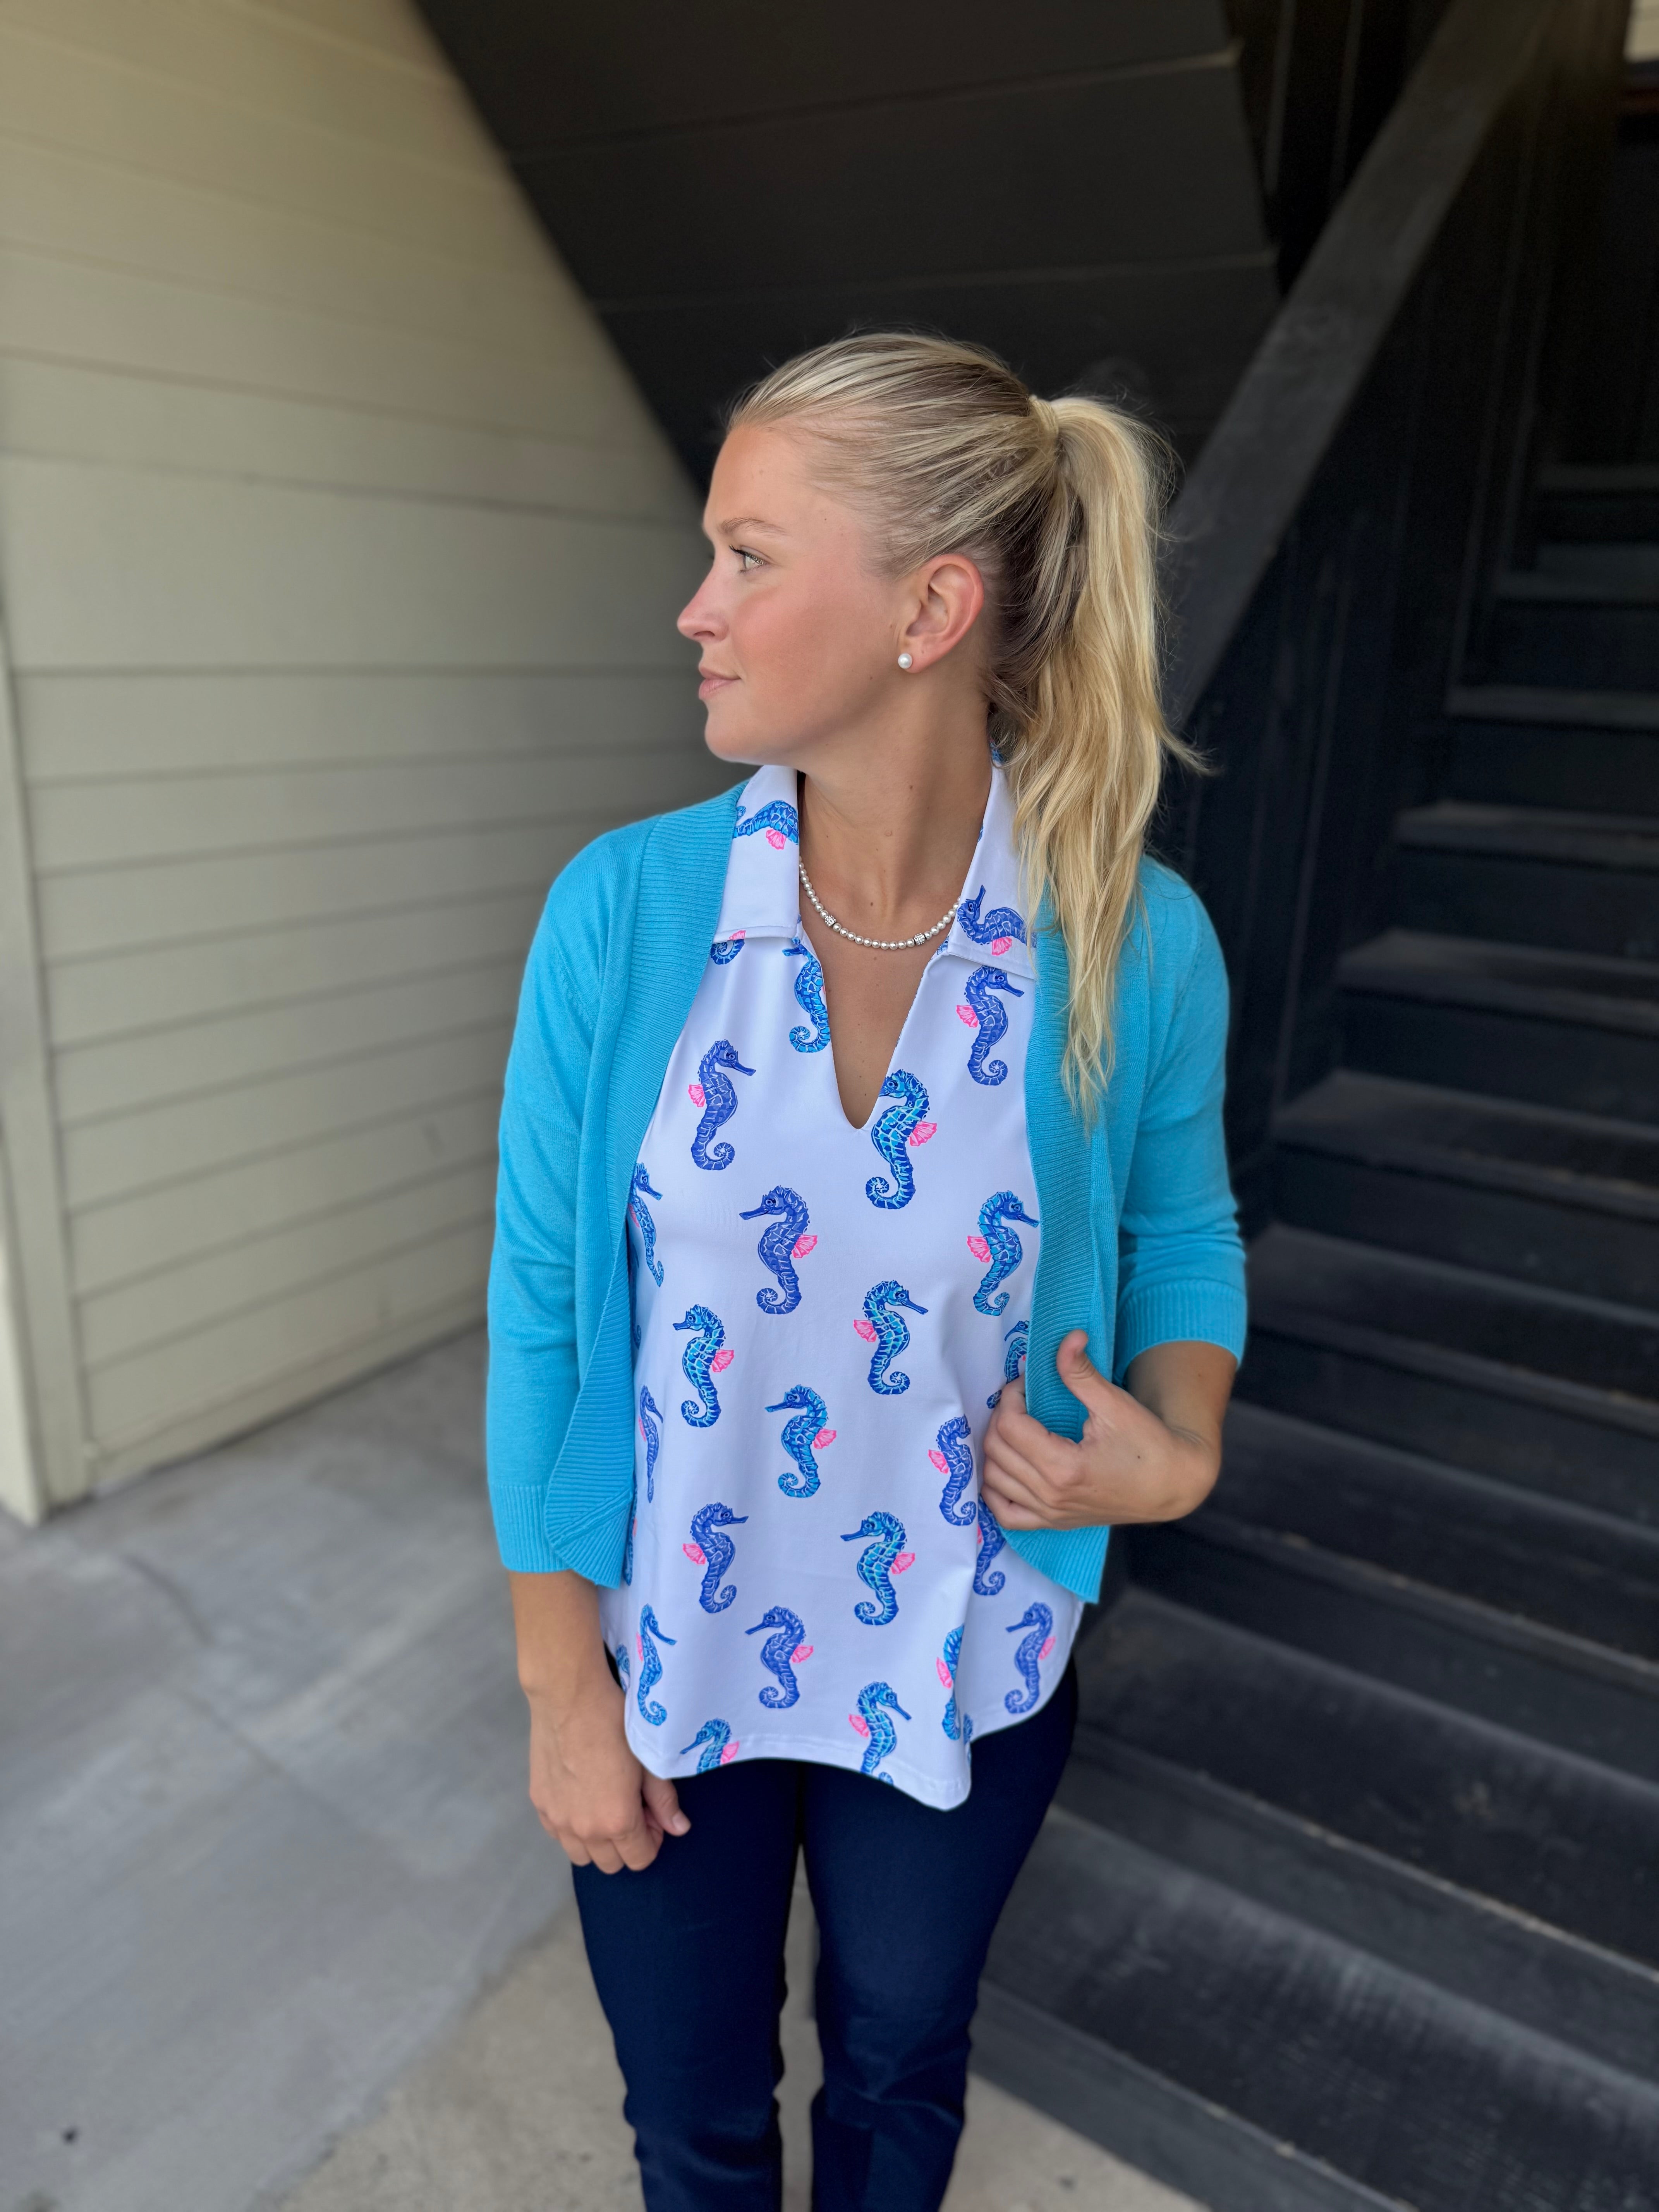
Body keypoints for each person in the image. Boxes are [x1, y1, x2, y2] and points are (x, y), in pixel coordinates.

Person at [484, 331, 1246, 2212]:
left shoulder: (1132, 941)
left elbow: (1183, 1235)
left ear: (931, 609)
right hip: (672, 1653)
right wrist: (560, 1686)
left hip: (968, 1656)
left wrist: (1176, 1453)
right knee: (694, 2119)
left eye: (748, 556)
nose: (696, 608)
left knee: (901, 2066)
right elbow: (544, 1310)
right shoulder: (626, 913)